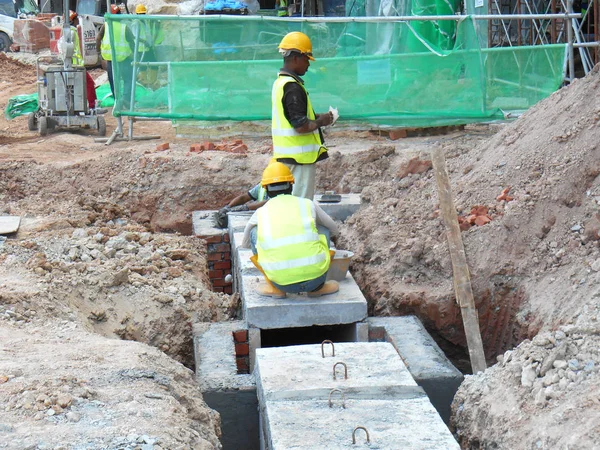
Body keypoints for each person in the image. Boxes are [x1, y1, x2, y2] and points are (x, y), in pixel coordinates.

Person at [241, 162, 340, 298]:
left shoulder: (261, 212)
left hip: (280, 282)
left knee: (254, 233)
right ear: (291, 185)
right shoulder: (307, 204)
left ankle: (274, 289)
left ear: (266, 189)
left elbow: (245, 243)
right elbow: (334, 229)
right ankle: (317, 289)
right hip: (316, 279)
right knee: (323, 228)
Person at [272, 31, 336, 200]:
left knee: (288, 204)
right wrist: (321, 121)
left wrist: (315, 117)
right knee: (300, 205)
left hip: (289, 158)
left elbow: (292, 115)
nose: (308, 64)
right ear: (296, 58)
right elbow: (301, 125)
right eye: (307, 59)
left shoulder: (280, 83)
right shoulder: (292, 87)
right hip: (299, 160)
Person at [96, 4, 134, 108]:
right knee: (127, 79)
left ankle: (117, 100)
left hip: (111, 60)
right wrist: (134, 55)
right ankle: (126, 99)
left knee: (113, 81)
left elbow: (98, 39)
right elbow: (132, 42)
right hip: (124, 59)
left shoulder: (106, 26)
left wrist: (99, 55)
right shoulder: (124, 27)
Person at [68, 11, 97, 110]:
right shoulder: (71, 32)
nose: (78, 20)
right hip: (76, 65)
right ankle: (92, 105)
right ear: (72, 20)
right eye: (76, 18)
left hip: (72, 65)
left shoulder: (69, 31)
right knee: (89, 83)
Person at [133, 3, 164, 87]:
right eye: (141, 13)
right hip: (141, 49)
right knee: (143, 67)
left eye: (143, 13)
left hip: (148, 48)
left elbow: (149, 34)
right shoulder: (136, 23)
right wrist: (143, 41)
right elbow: (135, 35)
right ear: (137, 14)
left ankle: (151, 82)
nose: (142, 15)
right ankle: (143, 82)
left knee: (154, 65)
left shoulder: (145, 21)